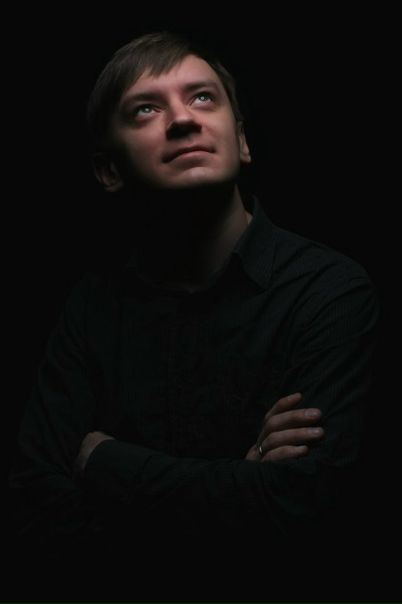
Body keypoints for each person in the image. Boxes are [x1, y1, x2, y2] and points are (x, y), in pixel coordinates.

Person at [9, 31, 379, 600]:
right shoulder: (89, 306)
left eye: (203, 97)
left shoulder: (328, 291)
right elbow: (34, 512)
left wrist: (106, 463)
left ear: (243, 141)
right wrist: (240, 480)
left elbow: (300, 509)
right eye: (146, 109)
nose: (183, 120)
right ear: (109, 170)